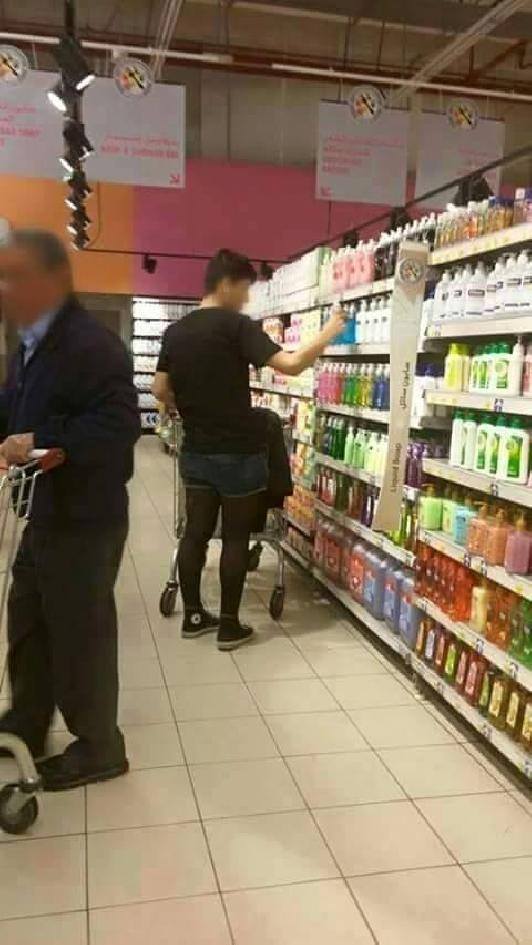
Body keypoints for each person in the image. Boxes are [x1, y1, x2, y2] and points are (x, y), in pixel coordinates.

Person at [0, 229, 141, 791]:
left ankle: (100, 745)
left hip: (85, 515)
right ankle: (28, 721)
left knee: (80, 631)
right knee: (28, 619)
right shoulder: (29, 343)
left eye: (17, 276)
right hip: (43, 510)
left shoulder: (91, 345)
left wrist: (41, 440)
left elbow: (118, 426)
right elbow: (14, 406)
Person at [153, 247, 346, 650]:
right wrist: (329, 332)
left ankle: (193, 616)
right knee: (236, 537)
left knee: (195, 534)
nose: (245, 300)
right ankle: (228, 626)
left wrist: (192, 406)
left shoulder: (176, 332)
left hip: (196, 450)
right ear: (227, 284)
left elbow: (159, 389)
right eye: (244, 290)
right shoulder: (236, 327)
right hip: (238, 453)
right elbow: (291, 365)